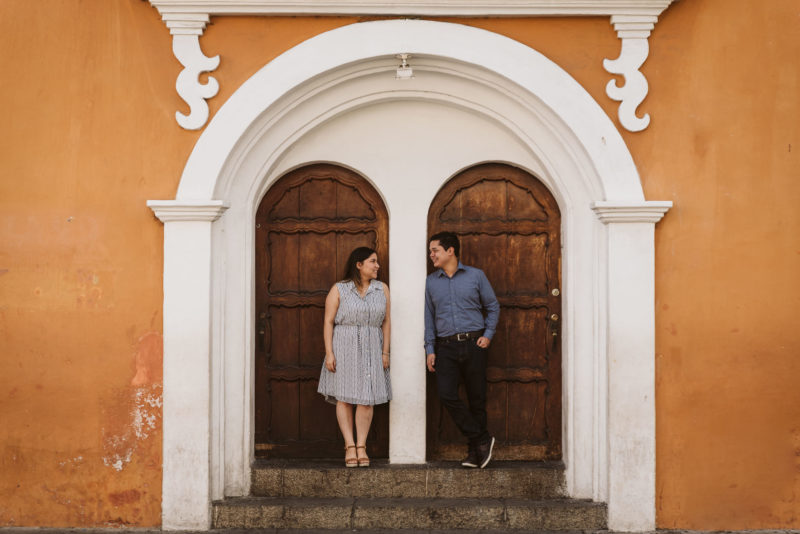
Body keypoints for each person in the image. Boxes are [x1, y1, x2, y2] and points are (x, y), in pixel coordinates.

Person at [425, 231, 500, 469]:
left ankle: (474, 452)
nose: (431, 255)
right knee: (447, 394)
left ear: (450, 251)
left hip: (474, 344)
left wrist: (487, 336)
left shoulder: (476, 276)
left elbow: (493, 306)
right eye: (430, 251)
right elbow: (429, 317)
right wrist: (430, 348)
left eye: (434, 250)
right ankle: (481, 439)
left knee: (476, 399)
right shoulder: (431, 281)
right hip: (445, 347)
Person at [318, 246, 391, 467]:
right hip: (344, 346)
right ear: (359, 265)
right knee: (345, 398)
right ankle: (349, 445)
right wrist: (329, 352)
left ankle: (362, 446)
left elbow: (386, 322)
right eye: (373, 261)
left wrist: (385, 351)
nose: (377, 265)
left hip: (372, 346)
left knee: (366, 399)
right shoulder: (340, 289)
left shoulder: (382, 289)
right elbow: (328, 321)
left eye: (376, 261)